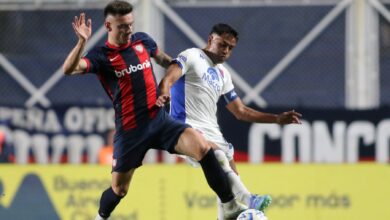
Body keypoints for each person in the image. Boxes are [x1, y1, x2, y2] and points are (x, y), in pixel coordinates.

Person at [62, 1, 246, 220]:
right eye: (122, 26)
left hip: (159, 120)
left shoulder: (142, 41)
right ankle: (100, 217)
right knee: (119, 190)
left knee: (205, 149)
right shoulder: (101, 56)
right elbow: (69, 69)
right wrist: (82, 41)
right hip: (131, 131)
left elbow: (167, 61)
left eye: (130, 24)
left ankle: (229, 206)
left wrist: (184, 75)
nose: (129, 29)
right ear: (108, 26)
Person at [157, 23, 302, 219]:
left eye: (230, 48)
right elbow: (169, 78)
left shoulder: (223, 74)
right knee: (217, 158)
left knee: (226, 189)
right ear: (210, 39)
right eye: (222, 44)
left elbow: (240, 111)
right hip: (186, 128)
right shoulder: (192, 56)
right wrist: (164, 93)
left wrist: (276, 119)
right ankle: (250, 198)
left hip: (214, 133)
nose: (226, 50)